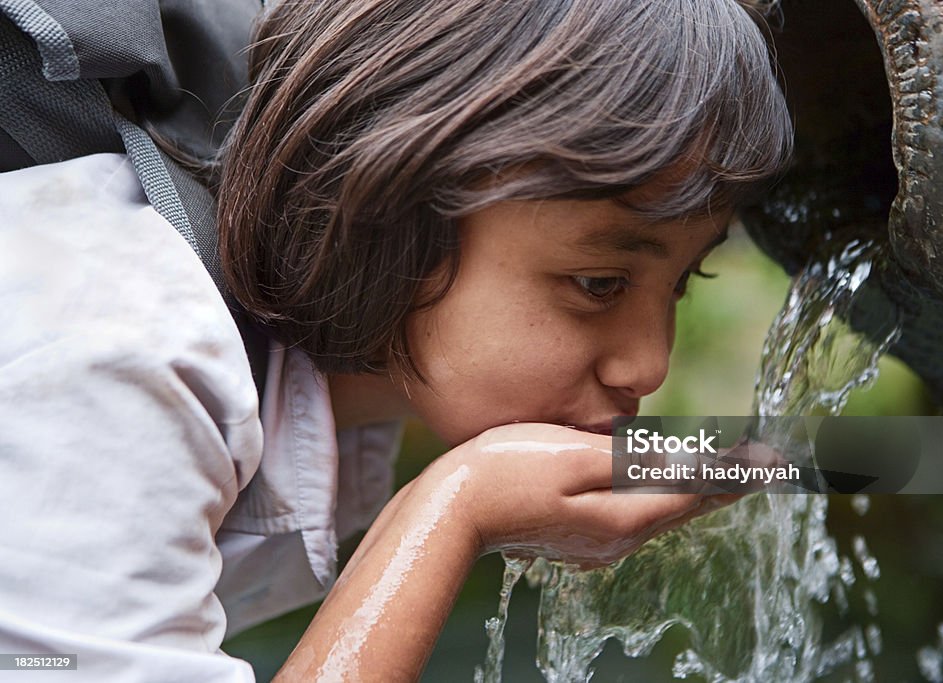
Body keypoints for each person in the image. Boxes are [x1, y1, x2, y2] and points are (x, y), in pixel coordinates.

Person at [0, 0, 791, 680]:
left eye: (682, 283)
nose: (649, 363)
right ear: (395, 208)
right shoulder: (126, 356)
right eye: (599, 284)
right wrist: (451, 510)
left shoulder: (315, 383)